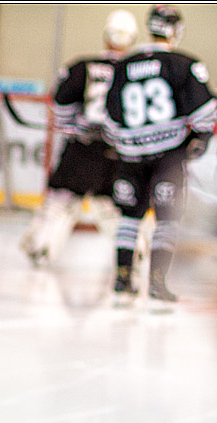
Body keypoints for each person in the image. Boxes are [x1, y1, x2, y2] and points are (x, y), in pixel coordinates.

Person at [102, 4, 217, 306]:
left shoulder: (123, 65)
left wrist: (125, 141)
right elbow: (205, 113)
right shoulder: (184, 63)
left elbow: (110, 117)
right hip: (168, 156)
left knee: (129, 217)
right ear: (176, 30)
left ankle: (123, 277)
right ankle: (156, 282)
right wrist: (198, 139)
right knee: (168, 219)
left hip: (129, 155)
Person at [20, 10, 139, 268]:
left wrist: (66, 125)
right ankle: (134, 255)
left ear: (106, 34)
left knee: (61, 199)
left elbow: (61, 101)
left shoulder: (82, 66)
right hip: (118, 151)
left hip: (82, 148)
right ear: (132, 38)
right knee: (112, 208)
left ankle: (41, 247)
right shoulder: (135, 71)